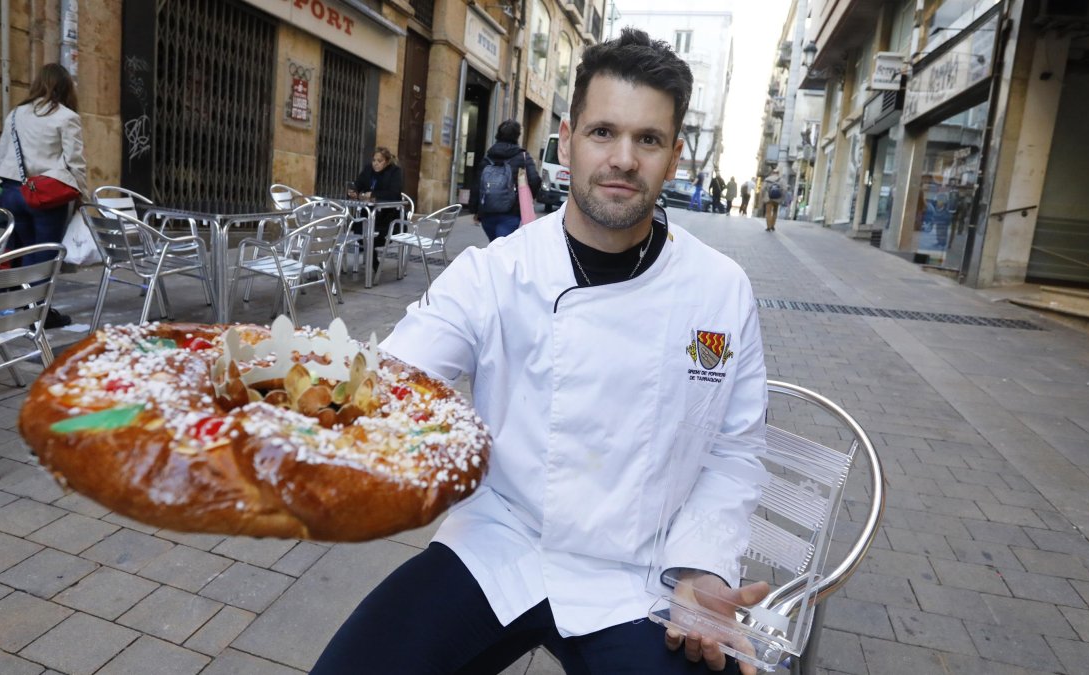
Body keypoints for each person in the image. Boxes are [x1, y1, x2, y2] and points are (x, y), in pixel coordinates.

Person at [312, 27, 769, 675]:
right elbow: (394, 378)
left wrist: (702, 564)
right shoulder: (495, 273)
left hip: (639, 572)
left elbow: (736, 449)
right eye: (603, 131)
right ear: (566, 138)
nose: (622, 159)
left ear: (674, 158)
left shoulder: (721, 290)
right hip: (503, 543)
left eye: (648, 139)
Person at [0, 63, 86, 327]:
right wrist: (82, 195)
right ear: (66, 86)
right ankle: (38, 314)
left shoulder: (15, 114)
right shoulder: (67, 117)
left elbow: (2, 153)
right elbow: (75, 162)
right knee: (44, 255)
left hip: (12, 190)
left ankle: (24, 308)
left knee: (21, 252)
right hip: (46, 194)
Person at [474, 119, 542, 241]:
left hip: (487, 213)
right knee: (503, 250)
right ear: (517, 136)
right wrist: (527, 198)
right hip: (511, 214)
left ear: (498, 134)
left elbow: (477, 185)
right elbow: (535, 180)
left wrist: (475, 209)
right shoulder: (523, 157)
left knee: (494, 246)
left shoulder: (488, 157)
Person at [347, 146, 404, 274]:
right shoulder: (368, 170)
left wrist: (373, 195)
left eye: (380, 161)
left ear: (387, 161)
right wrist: (353, 192)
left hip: (389, 218)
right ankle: (373, 262)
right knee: (360, 231)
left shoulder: (394, 172)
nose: (376, 164)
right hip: (368, 216)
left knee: (372, 236)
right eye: (374, 160)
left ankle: (373, 262)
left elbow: (394, 194)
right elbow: (358, 185)